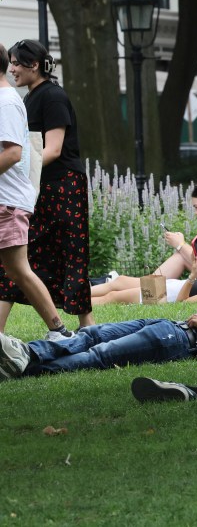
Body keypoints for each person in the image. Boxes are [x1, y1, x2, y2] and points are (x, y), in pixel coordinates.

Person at [0, 289, 197, 380]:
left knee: (99, 355)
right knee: (92, 333)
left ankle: (26, 367)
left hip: (181, 340)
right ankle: (28, 354)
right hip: (170, 327)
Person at [0, 40, 92, 330]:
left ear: (34, 65)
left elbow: (51, 149)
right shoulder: (28, 98)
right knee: (20, 261)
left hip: (63, 188)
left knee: (71, 255)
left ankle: (86, 327)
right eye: (11, 62)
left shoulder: (52, 97)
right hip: (40, 189)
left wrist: (23, 177)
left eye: (17, 63)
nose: (12, 68)